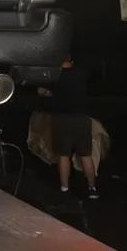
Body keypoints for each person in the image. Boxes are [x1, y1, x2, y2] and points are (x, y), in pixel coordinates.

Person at [39, 56, 99, 200]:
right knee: (86, 155)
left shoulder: (54, 76)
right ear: (71, 61)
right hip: (82, 118)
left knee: (63, 155)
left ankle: (65, 188)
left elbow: (41, 91)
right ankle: (92, 188)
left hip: (62, 119)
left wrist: (48, 93)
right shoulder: (81, 73)